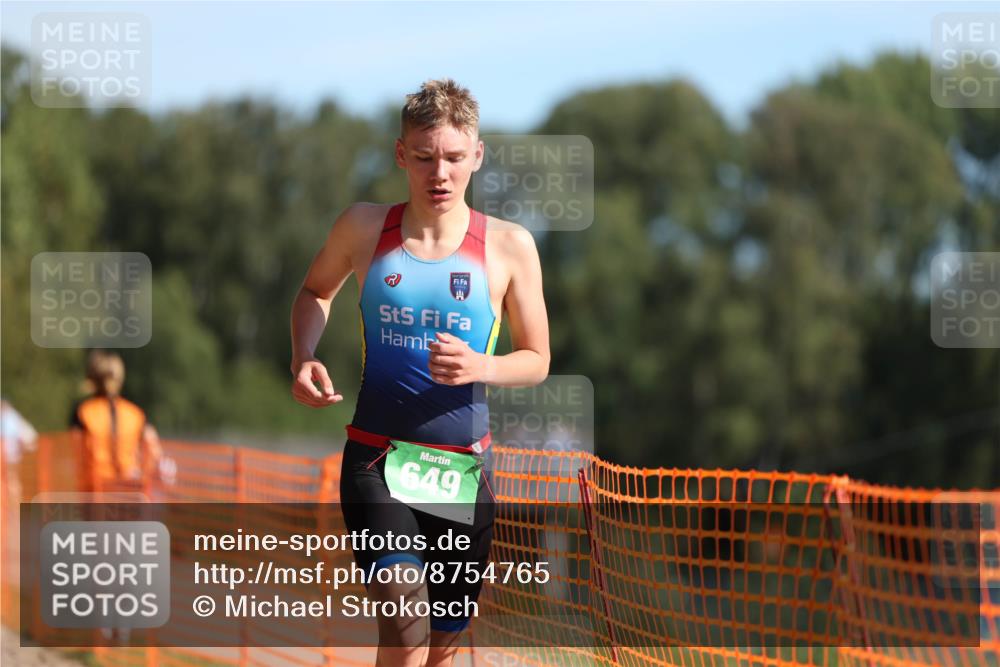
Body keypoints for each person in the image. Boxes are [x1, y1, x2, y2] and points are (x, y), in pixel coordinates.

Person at [290, 79, 550, 667]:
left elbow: (537, 359)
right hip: (376, 460)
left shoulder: (508, 246)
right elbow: (314, 291)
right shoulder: (363, 228)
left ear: (477, 156)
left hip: (461, 469)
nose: (441, 174)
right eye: (427, 157)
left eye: (456, 159)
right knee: (405, 623)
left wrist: (481, 365)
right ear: (401, 153)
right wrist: (303, 354)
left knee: (441, 645)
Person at [69, 350, 162, 494]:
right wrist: (144, 473)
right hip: (130, 488)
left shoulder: (83, 412)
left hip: (94, 491)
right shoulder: (135, 413)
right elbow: (153, 449)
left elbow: (74, 451)